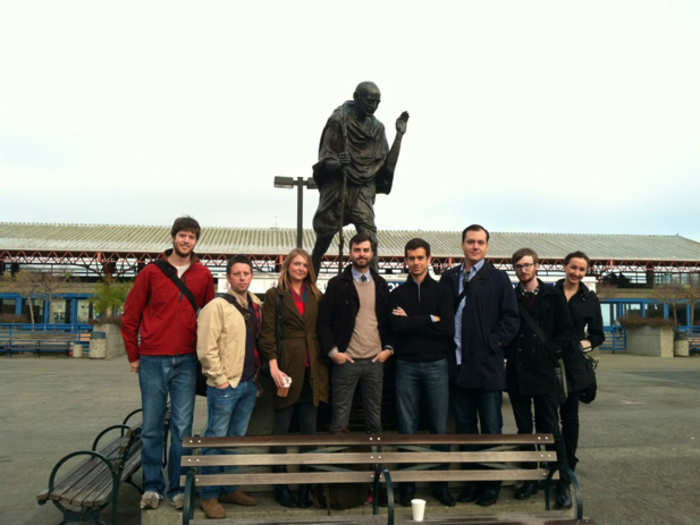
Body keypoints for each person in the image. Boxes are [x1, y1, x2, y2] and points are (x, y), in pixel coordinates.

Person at [121, 216, 215, 510]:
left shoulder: (203, 275)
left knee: (182, 426)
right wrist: (133, 355)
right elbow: (130, 317)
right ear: (173, 237)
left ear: (196, 241)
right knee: (151, 426)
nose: (186, 241)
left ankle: (176, 486)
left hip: (186, 361)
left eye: (191, 237)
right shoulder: (151, 273)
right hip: (152, 359)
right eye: (182, 235)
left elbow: (212, 317)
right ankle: (152, 486)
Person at [439, 224, 519, 506]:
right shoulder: (449, 278)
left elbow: (511, 319)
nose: (475, 246)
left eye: (480, 242)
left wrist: (493, 343)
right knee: (465, 430)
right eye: (470, 242)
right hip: (459, 368)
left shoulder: (498, 279)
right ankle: (472, 483)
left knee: (491, 428)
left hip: (487, 368)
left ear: (487, 246)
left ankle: (490, 485)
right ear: (462, 244)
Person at [310, 81, 409, 274]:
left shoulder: (377, 129)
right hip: (339, 186)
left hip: (363, 189)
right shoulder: (338, 121)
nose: (374, 106)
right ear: (356, 97)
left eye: (377, 102)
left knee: (370, 238)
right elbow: (324, 161)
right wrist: (338, 163)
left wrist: (399, 136)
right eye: (370, 101)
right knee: (323, 239)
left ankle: (374, 286)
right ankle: (308, 286)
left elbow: (385, 165)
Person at [259, 248, 329, 509]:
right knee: (282, 433)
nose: (300, 268)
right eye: (296, 264)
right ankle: (281, 488)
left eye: (304, 264)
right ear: (287, 266)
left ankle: (306, 488)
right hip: (287, 370)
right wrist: (274, 368)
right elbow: (267, 335)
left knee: (309, 434)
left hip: (314, 372)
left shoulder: (316, 295)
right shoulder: (274, 296)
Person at [196, 255, 262, 519]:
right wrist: (219, 378)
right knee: (215, 439)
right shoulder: (216, 306)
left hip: (248, 384)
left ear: (251, 276)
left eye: (246, 273)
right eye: (237, 273)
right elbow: (205, 347)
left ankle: (229, 487)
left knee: (235, 440)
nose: (242, 277)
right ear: (228, 277)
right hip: (225, 385)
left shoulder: (256, 304)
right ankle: (209, 496)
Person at [506, 248, 573, 508]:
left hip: (544, 370)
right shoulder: (511, 297)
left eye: (527, 265)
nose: (523, 269)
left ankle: (561, 480)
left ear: (537, 266)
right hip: (518, 371)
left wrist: (551, 350)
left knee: (550, 427)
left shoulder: (553, 296)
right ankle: (529, 478)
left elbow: (566, 332)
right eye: (519, 266)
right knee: (524, 429)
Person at [390, 238, 455, 507]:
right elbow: (396, 328)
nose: (415, 262)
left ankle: (441, 485)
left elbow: (447, 329)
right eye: (411, 258)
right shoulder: (396, 294)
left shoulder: (442, 292)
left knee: (439, 426)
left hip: (436, 365)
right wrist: (429, 319)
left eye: (420, 257)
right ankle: (407, 486)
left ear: (429, 259)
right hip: (406, 365)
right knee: (407, 428)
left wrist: (412, 321)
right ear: (405, 261)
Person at [317, 232, 393, 434]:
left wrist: (388, 350)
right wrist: (333, 352)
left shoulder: (381, 284)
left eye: (365, 250)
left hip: (375, 361)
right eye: (357, 250)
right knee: (339, 419)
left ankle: (376, 463)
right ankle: (338, 464)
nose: (361, 254)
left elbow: (388, 322)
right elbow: (323, 323)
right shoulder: (337, 284)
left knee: (374, 418)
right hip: (346, 360)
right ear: (350, 253)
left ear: (372, 253)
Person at [555, 251, 605, 478]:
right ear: (564, 266)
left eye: (581, 269)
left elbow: (598, 334)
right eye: (573, 267)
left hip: (573, 365)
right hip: (548, 362)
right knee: (547, 416)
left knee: (570, 417)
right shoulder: (549, 292)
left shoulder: (589, 299)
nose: (576, 273)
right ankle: (549, 461)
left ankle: (567, 464)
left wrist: (587, 343)